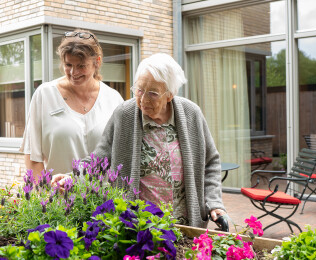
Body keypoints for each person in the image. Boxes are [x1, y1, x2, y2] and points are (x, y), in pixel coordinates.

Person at [53, 53, 226, 228]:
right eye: (139, 90)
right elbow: (99, 159)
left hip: (186, 226)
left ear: (170, 94)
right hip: (139, 227)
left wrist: (214, 202)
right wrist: (72, 178)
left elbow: (210, 162)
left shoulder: (191, 114)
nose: (143, 100)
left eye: (152, 94)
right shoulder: (124, 114)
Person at [20, 29, 124, 180]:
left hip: (104, 201)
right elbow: (33, 156)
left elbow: (121, 155)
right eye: (68, 64)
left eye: (81, 66)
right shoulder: (44, 95)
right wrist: (45, 194)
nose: (73, 72)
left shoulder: (114, 99)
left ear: (97, 62)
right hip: (59, 198)